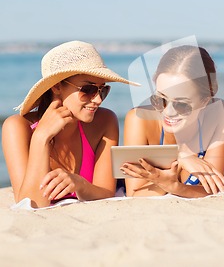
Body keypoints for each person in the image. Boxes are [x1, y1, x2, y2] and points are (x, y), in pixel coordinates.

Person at [2, 41, 138, 208]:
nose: (98, 99)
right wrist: (41, 137)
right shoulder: (17, 128)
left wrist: (79, 184)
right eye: (88, 89)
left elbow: (106, 193)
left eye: (103, 90)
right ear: (57, 87)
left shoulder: (105, 121)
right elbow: (31, 204)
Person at [121, 45, 224, 197]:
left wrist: (174, 186)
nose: (168, 111)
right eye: (160, 99)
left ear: (205, 100)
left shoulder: (218, 114)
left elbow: (212, 190)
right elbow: (135, 194)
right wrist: (179, 156)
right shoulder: (139, 120)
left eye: (181, 104)